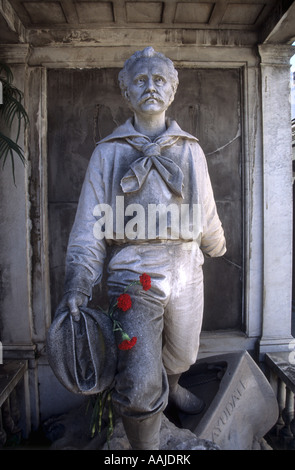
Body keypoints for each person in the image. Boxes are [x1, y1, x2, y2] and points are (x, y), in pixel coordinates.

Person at [58, 47, 226, 450]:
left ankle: (173, 384)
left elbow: (205, 208)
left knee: (183, 351)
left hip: (185, 266)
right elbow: (88, 227)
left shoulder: (190, 150)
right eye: (140, 80)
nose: (151, 87)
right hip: (133, 272)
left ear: (171, 92)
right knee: (137, 382)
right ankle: (145, 447)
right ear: (126, 91)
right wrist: (78, 282)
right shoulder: (107, 153)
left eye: (159, 80)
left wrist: (216, 242)